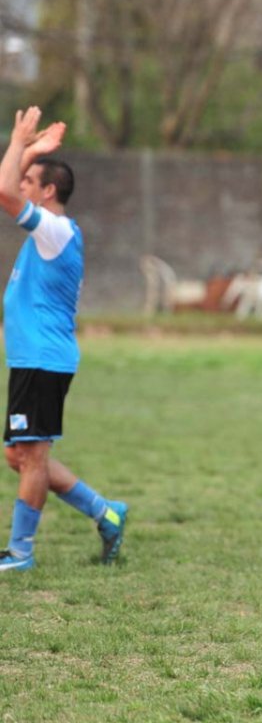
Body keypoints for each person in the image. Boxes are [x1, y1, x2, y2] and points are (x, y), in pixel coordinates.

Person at [0, 107, 127, 573]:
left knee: (31, 456)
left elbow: (2, 191)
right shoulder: (46, 237)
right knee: (21, 455)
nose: (22, 185)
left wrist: (21, 143)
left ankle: (20, 554)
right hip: (34, 359)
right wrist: (28, 151)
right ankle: (106, 511)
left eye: (31, 180)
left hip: (42, 359)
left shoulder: (55, 231)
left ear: (48, 191)